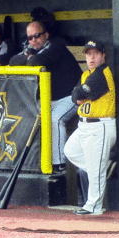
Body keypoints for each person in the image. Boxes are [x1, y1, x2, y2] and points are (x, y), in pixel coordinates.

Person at [9, 21, 82, 172]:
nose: (33, 40)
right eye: (30, 38)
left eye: (37, 36)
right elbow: (12, 61)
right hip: (51, 100)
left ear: (46, 35)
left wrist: (28, 58)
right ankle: (30, 164)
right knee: (27, 116)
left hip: (72, 97)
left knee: (55, 119)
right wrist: (27, 57)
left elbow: (36, 61)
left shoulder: (56, 45)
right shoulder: (32, 49)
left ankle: (59, 164)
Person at [63, 40, 116, 215]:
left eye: (95, 54)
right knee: (70, 151)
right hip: (84, 126)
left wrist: (81, 95)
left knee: (95, 170)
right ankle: (104, 166)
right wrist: (81, 95)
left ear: (103, 55)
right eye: (88, 54)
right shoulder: (87, 74)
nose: (91, 57)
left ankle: (94, 207)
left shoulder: (102, 74)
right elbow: (75, 95)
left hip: (99, 126)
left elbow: (78, 94)